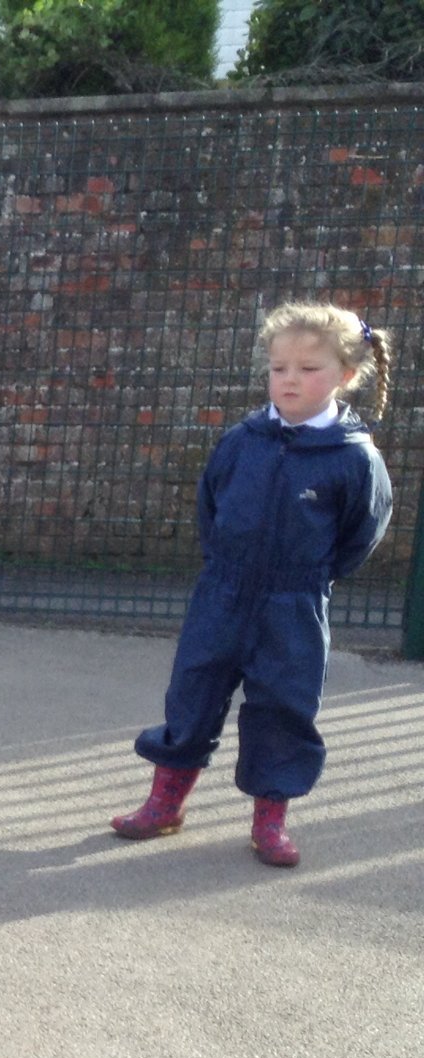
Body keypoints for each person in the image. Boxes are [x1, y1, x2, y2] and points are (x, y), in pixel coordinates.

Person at [112, 303, 394, 868]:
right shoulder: (243, 441)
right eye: (279, 366)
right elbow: (210, 505)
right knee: (193, 692)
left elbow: (361, 533)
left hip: (293, 605)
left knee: (282, 706)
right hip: (223, 593)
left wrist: (306, 578)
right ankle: (165, 803)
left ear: (345, 375)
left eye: (308, 368)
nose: (290, 378)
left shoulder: (354, 459)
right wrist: (228, 567)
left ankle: (270, 819)